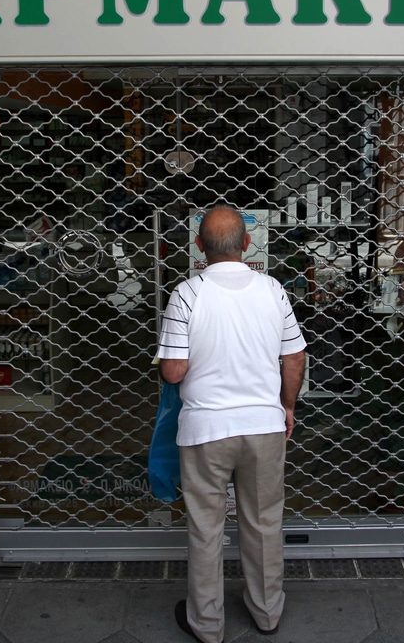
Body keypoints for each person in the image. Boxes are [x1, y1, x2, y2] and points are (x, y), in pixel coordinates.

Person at [156, 205, 307, 643]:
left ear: (199, 246)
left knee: (206, 528)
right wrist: (287, 407)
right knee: (264, 522)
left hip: (206, 431)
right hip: (263, 425)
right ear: (246, 244)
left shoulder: (187, 293)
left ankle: (207, 624)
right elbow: (294, 356)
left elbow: (174, 372)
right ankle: (266, 613)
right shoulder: (273, 290)